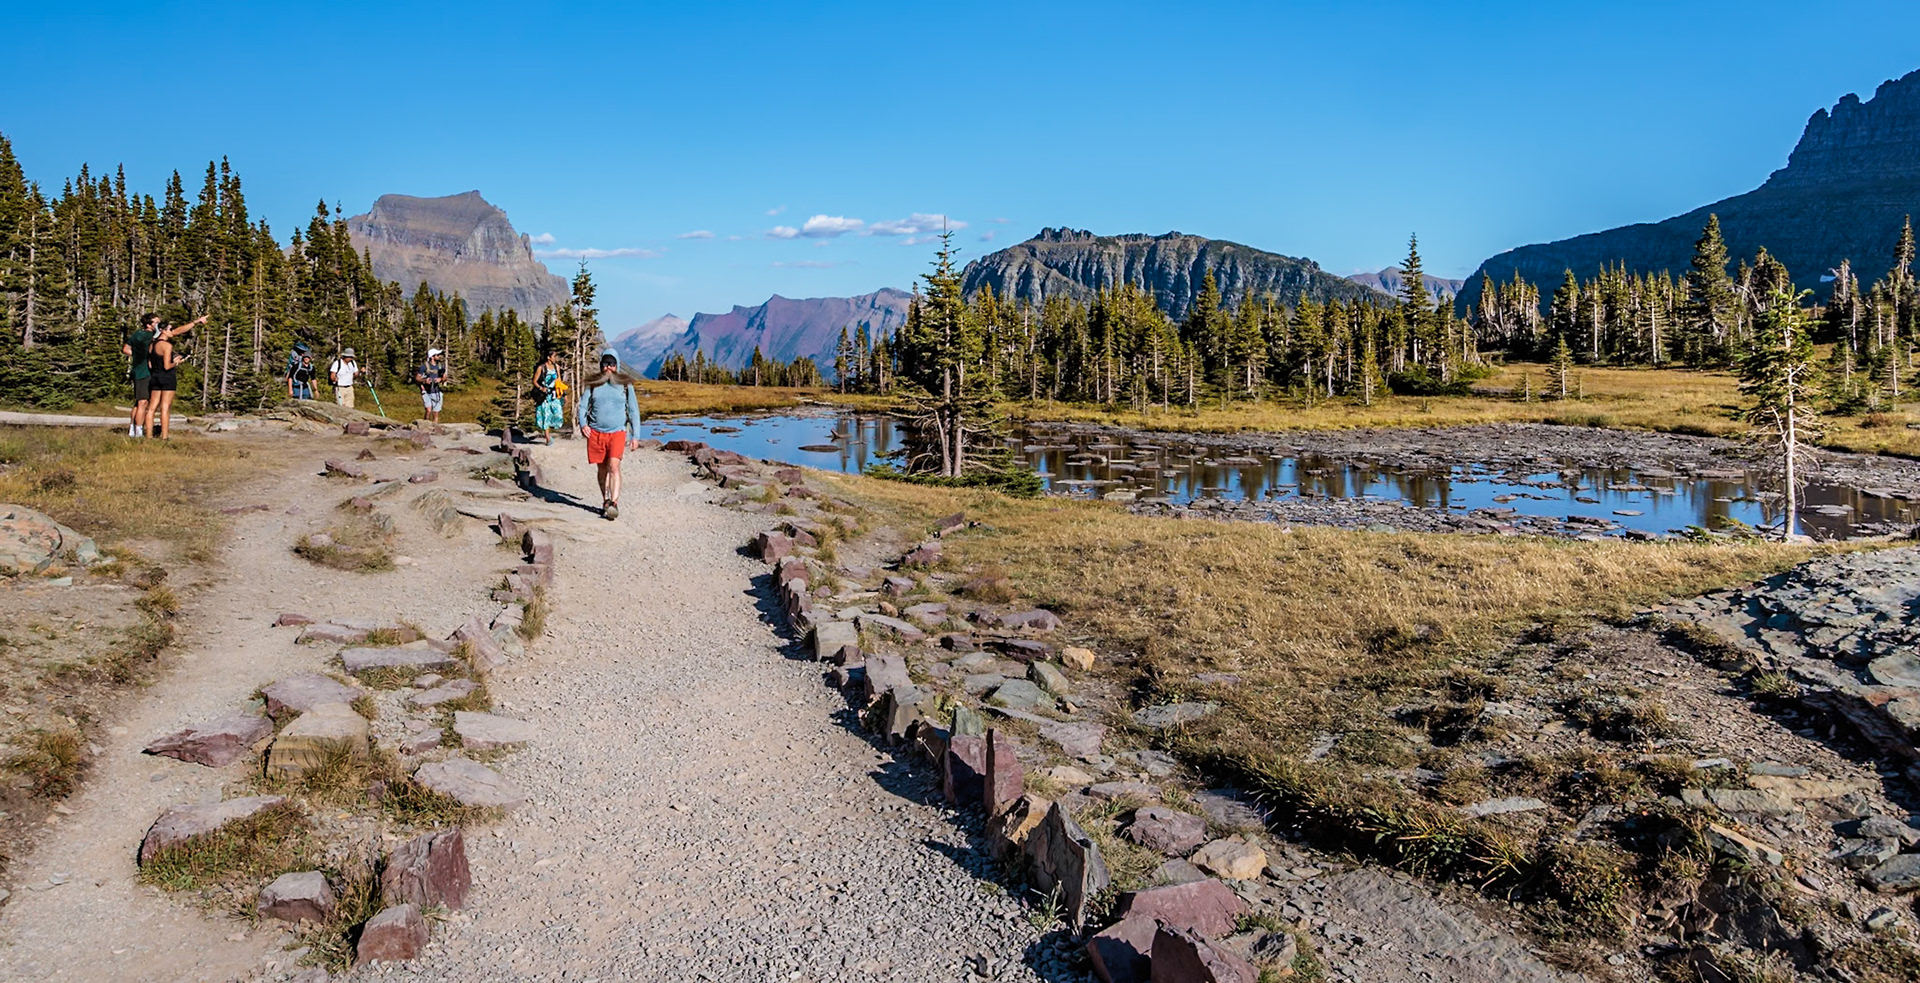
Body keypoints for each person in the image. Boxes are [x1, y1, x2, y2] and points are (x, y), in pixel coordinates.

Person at [576, 351, 642, 520]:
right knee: (602, 469)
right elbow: (583, 407)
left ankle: (614, 503)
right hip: (596, 433)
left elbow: (634, 410)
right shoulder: (593, 384)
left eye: (612, 364)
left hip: (618, 432)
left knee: (614, 466)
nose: (608, 368)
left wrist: (636, 436)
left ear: (617, 365)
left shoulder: (626, 385)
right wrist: (583, 424)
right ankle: (605, 500)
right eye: (605, 364)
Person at [145, 319, 194, 439]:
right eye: (170, 329)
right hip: (167, 377)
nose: (172, 332)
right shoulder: (167, 345)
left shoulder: (152, 344)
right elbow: (167, 366)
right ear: (163, 331)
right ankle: (165, 436)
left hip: (155, 376)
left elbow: (150, 364)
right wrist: (177, 362)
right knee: (165, 408)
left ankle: (149, 435)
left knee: (151, 408)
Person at [123, 314, 159, 437]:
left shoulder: (137, 334)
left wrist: (137, 354)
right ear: (149, 324)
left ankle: (132, 428)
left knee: (138, 403)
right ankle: (138, 430)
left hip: (137, 369)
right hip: (144, 372)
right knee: (143, 402)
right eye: (156, 323)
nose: (158, 325)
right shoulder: (150, 336)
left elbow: (126, 349)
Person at [532, 350, 564, 445]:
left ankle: (552, 427)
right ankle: (548, 438)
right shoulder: (541, 368)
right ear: (549, 357)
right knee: (546, 415)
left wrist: (563, 393)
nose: (555, 359)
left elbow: (559, 381)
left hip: (554, 394)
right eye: (554, 356)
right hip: (544, 395)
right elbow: (534, 381)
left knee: (558, 413)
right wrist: (541, 388)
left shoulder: (557, 367)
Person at [414, 348, 447, 423]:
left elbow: (445, 377)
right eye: (437, 355)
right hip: (426, 391)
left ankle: (434, 428)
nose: (439, 356)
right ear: (432, 357)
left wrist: (440, 379)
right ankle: (425, 425)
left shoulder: (440, 366)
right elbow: (417, 378)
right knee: (428, 410)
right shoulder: (424, 366)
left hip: (436, 391)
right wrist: (425, 380)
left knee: (436, 412)